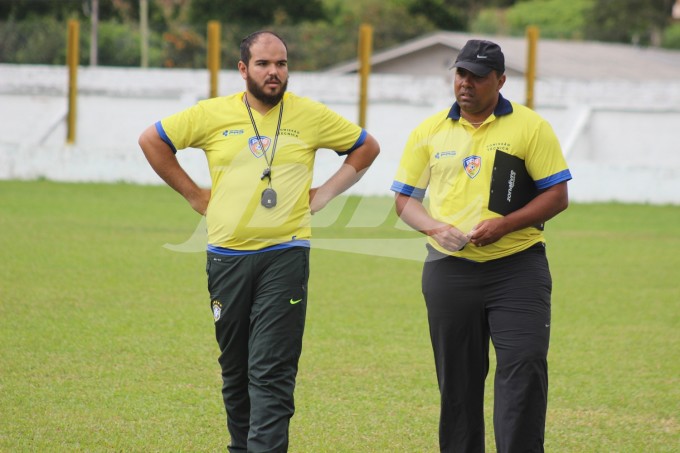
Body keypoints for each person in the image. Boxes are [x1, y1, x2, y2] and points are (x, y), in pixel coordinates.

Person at [138, 30, 379, 452]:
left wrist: (323, 194)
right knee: (235, 370)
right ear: (243, 69)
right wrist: (195, 195)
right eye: (265, 64)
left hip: (285, 255)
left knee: (271, 369)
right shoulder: (211, 114)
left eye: (282, 64)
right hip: (226, 257)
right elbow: (152, 141)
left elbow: (365, 147)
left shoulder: (310, 115)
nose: (274, 72)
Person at [391, 39, 572, 453]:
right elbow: (404, 200)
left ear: (501, 80)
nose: (466, 83)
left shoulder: (531, 127)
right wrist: (435, 229)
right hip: (449, 271)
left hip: (517, 268)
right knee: (458, 381)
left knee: (524, 366)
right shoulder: (429, 131)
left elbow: (556, 196)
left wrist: (504, 225)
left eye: (477, 76)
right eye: (460, 74)